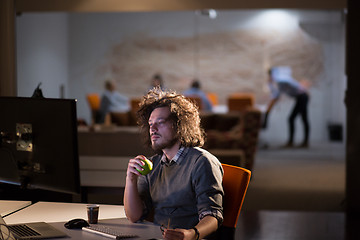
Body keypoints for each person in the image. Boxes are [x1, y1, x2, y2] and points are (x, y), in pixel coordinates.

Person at [124, 87, 224, 240]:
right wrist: (130, 179)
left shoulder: (202, 162)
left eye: (160, 122)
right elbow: (134, 216)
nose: (153, 129)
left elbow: (213, 216)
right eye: (150, 124)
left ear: (180, 126)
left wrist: (191, 234)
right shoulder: (152, 165)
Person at [264, 66, 310, 148]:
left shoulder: (282, 81)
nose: (269, 77)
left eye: (270, 75)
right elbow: (276, 95)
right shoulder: (281, 82)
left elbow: (276, 95)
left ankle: (292, 142)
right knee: (303, 119)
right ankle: (303, 142)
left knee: (292, 119)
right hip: (301, 97)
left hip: (302, 97)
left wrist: (270, 84)